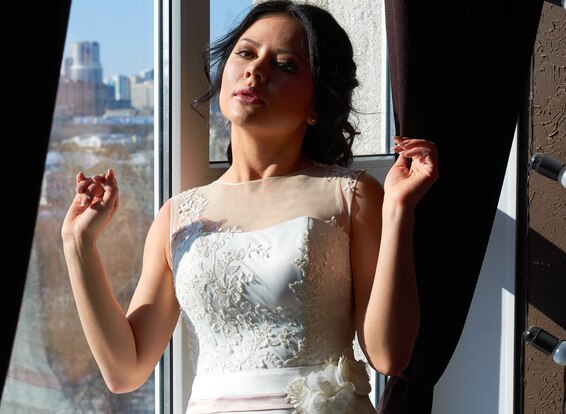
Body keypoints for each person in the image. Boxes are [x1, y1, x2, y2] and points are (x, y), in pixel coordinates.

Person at [61, 1, 438, 413]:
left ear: (317, 104)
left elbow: (388, 356)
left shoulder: (352, 195)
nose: (256, 70)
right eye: (245, 52)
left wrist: (400, 210)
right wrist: (79, 246)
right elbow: (125, 370)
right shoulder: (179, 214)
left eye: (286, 65)